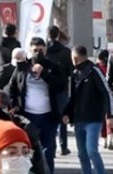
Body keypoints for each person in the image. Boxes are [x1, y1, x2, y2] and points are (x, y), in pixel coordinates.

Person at [63, 46, 113, 174]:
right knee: (82, 154)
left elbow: (107, 92)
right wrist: (67, 113)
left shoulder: (94, 71)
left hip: (93, 118)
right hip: (79, 119)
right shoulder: (74, 74)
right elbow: (72, 97)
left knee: (92, 150)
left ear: (76, 57)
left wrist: (110, 115)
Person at [9, 40, 67, 174]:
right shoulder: (23, 67)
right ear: (29, 50)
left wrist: (44, 73)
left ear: (45, 51)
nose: (38, 53)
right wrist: (14, 105)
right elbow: (12, 88)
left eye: (41, 50)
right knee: (28, 152)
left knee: (48, 153)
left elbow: (60, 86)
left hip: (48, 116)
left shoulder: (53, 67)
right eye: (35, 50)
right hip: (28, 116)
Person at [45, 26, 74, 157]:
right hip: (62, 89)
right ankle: (63, 146)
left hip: (46, 88)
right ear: (58, 35)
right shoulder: (66, 51)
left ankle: (51, 145)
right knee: (63, 118)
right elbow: (71, 71)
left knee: (50, 118)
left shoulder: (44, 50)